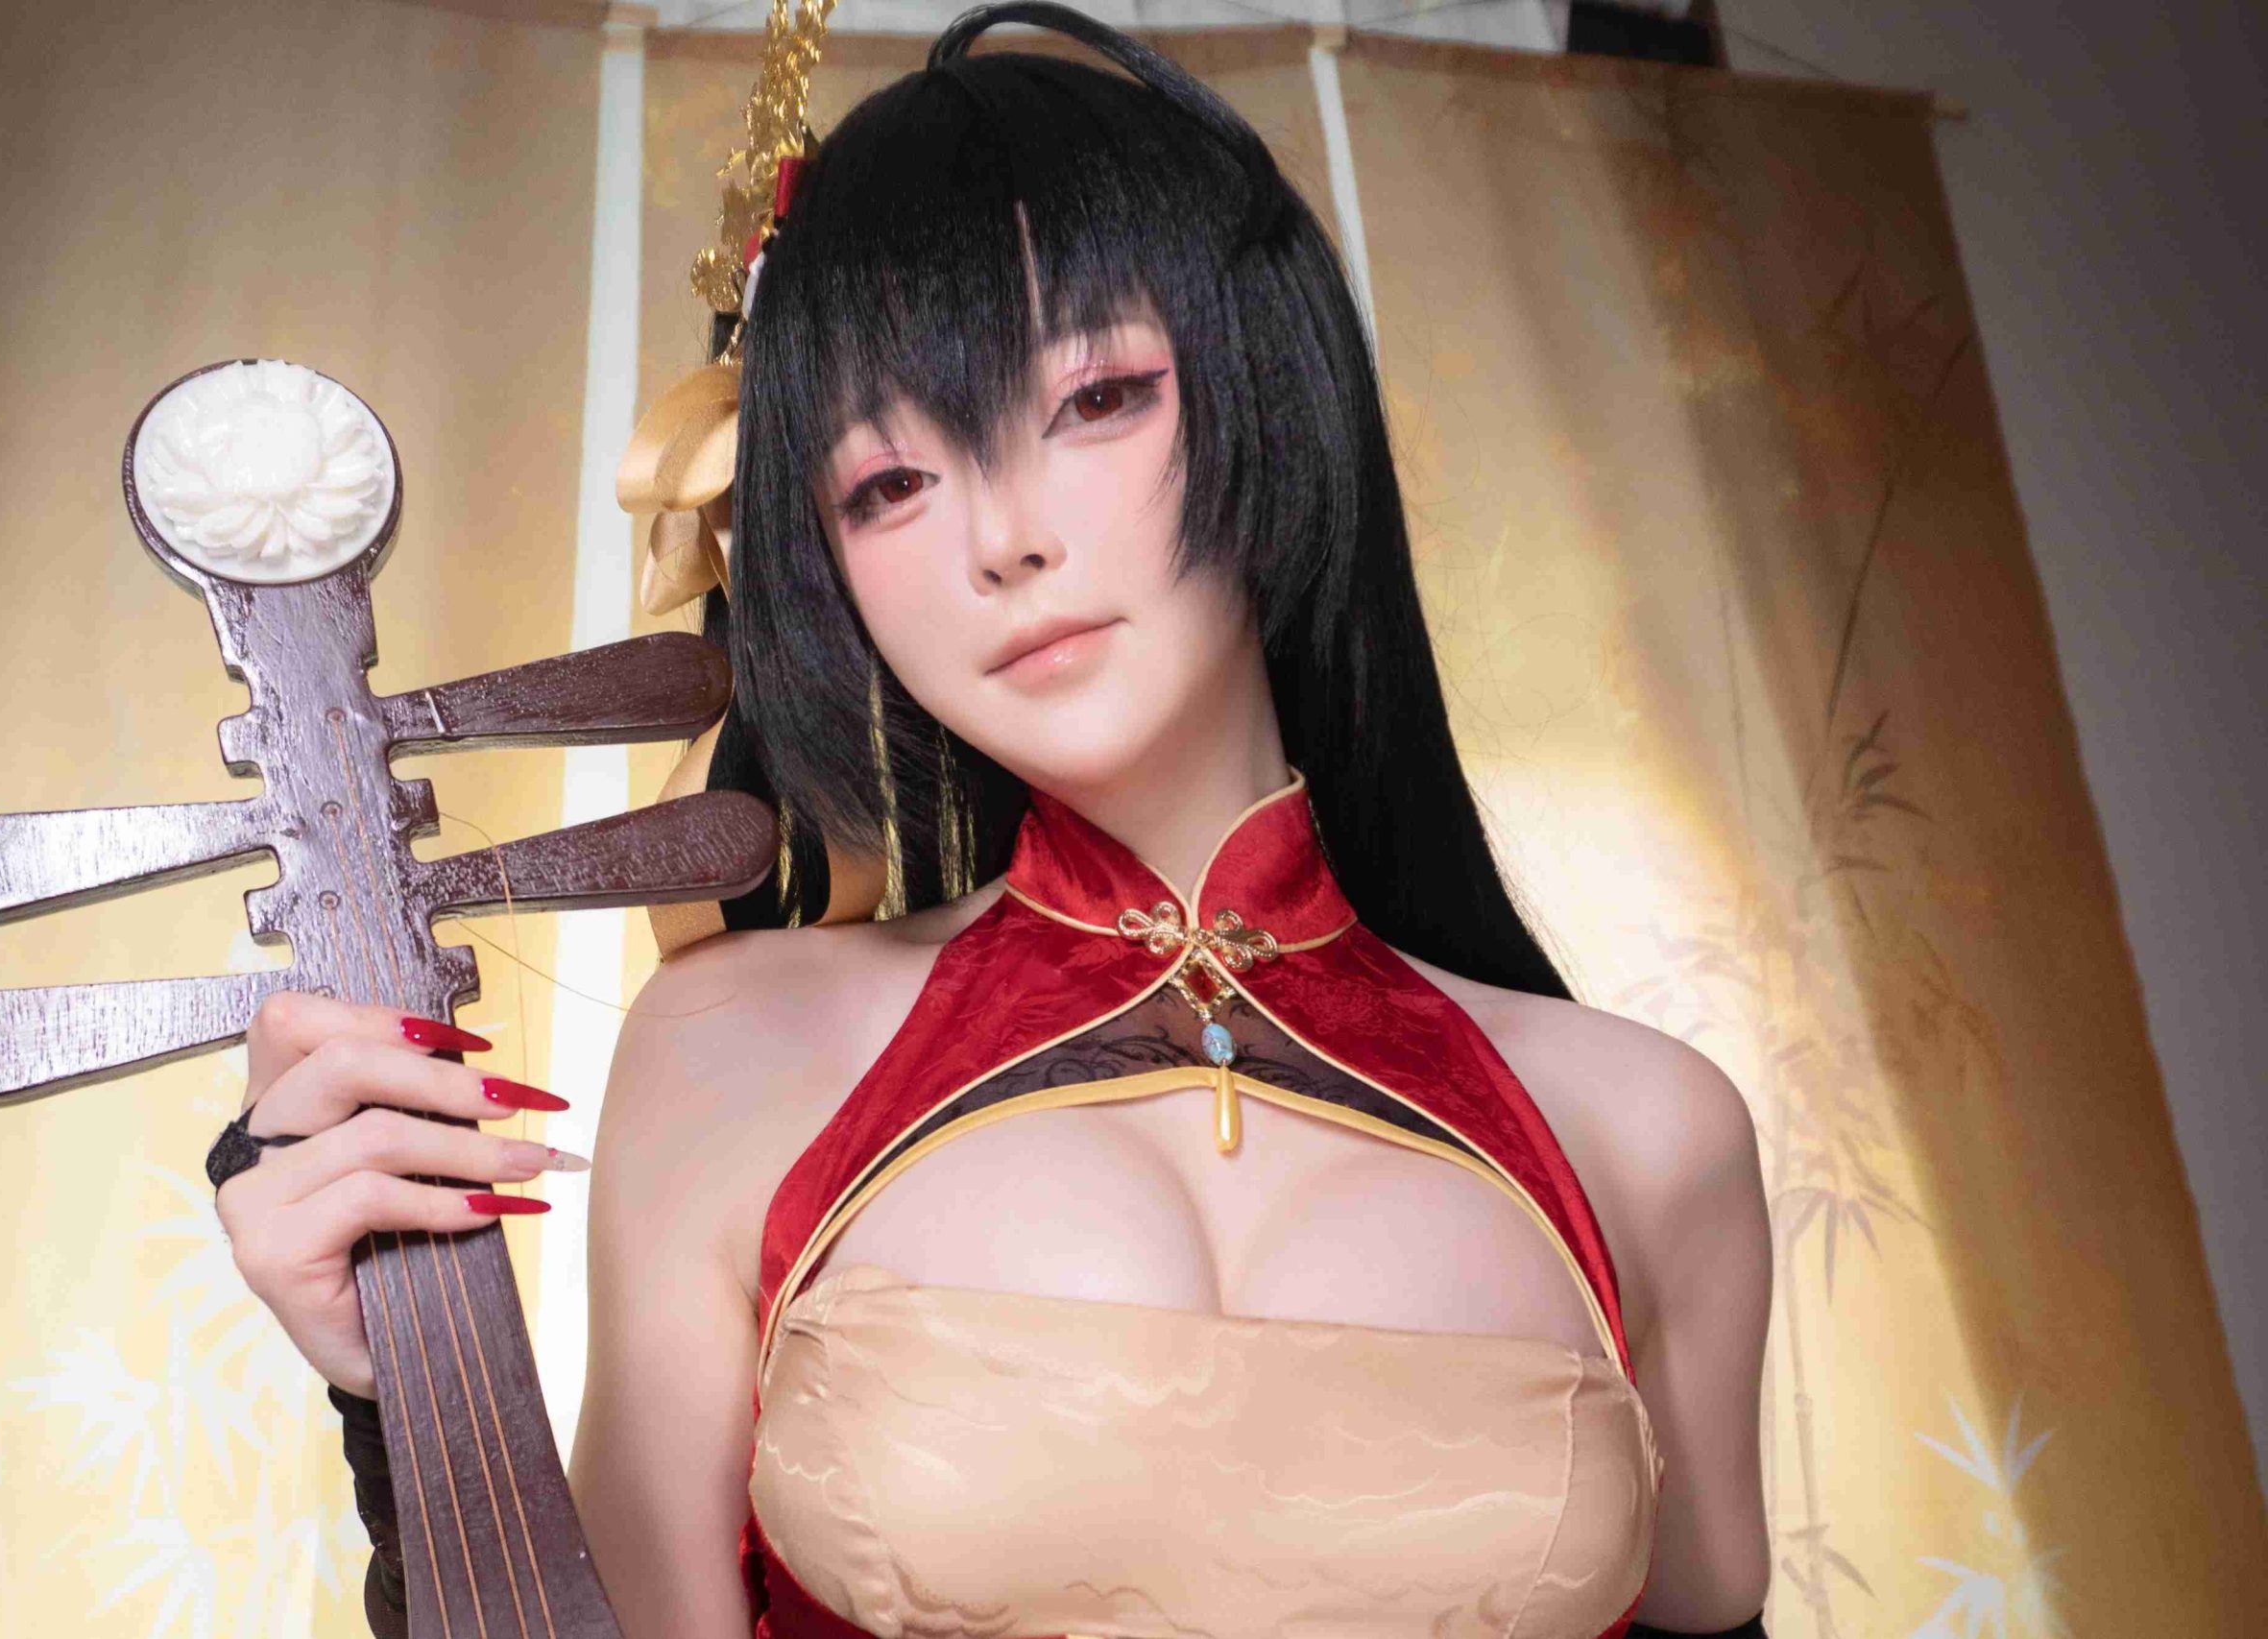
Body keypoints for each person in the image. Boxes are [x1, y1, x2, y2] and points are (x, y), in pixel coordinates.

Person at [210, 4, 1773, 1635]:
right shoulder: (738, 1050)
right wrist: (406, 1394)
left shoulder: (1647, 1129)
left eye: (1097, 399)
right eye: (891, 485)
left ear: (1270, 387)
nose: (1003, 542)